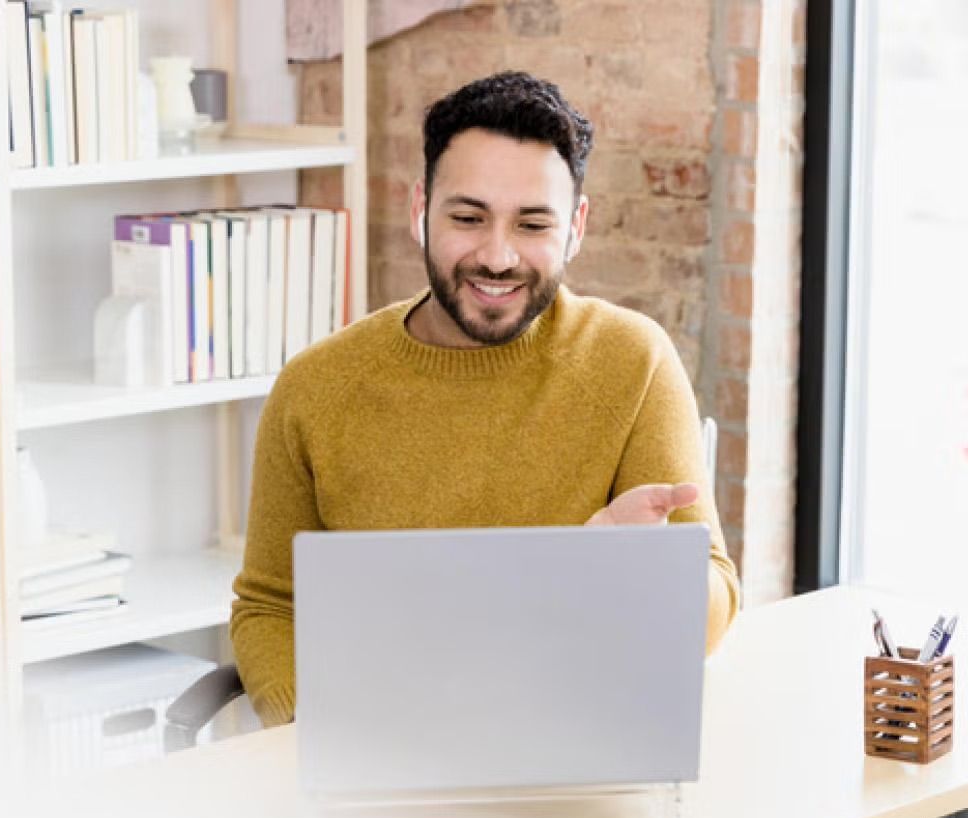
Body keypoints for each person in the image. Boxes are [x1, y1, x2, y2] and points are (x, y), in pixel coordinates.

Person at [231, 71, 741, 727]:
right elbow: (271, 606)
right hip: (376, 771)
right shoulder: (315, 389)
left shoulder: (632, 361)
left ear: (576, 227)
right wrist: (318, 734)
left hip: (579, 753)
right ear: (421, 210)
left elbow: (717, 601)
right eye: (468, 218)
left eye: (532, 223)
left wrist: (629, 576)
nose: (497, 256)